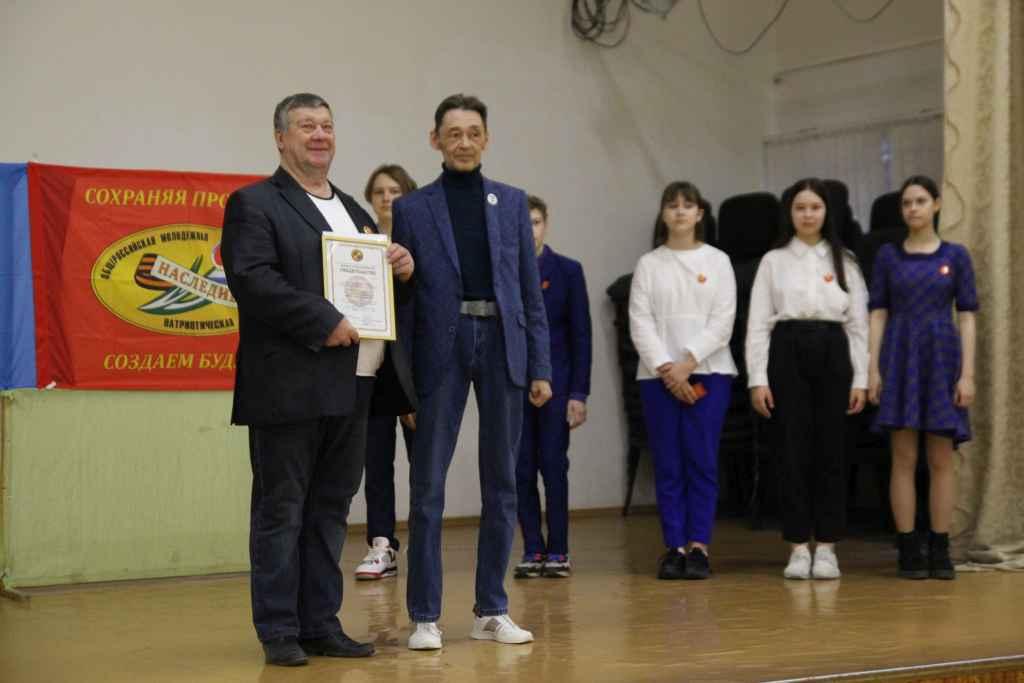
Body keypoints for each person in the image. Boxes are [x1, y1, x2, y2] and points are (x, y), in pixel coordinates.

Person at [221, 93, 416, 666]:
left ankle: (319, 624)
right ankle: (279, 629)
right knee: (282, 510)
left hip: (356, 381)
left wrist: (401, 272)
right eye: (306, 126)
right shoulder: (255, 204)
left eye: (327, 125)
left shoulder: (354, 211)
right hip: (290, 384)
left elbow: (372, 295)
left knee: (330, 510)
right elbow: (252, 279)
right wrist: (321, 320)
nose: (319, 135)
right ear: (281, 138)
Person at [391, 93, 552, 651]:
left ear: (486, 138)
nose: (464, 142)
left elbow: (529, 291)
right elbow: (403, 301)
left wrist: (540, 366)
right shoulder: (413, 209)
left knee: (503, 483)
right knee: (427, 487)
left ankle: (491, 609)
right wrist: (403, 384)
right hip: (442, 346)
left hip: (504, 343)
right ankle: (424, 617)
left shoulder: (511, 202)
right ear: (435, 140)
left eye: (473, 132)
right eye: (453, 133)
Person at [746, 177, 868, 581]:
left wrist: (860, 378)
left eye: (815, 207)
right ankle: (798, 546)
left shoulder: (845, 260)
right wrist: (758, 378)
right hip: (787, 351)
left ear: (827, 212)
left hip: (834, 351)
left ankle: (828, 547)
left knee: (831, 450)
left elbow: (858, 325)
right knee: (791, 449)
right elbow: (758, 325)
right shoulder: (773, 261)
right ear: (790, 213)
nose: (808, 214)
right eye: (800, 208)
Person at [867, 175, 977, 580]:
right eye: (906, 203)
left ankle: (940, 547)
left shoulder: (956, 256)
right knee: (903, 458)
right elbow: (878, 312)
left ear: (936, 204)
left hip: (942, 358)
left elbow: (967, 316)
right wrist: (872, 368)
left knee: (941, 458)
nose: (912, 208)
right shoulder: (888, 256)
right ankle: (909, 548)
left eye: (920, 201)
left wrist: (967, 374)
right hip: (900, 356)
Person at [629, 182, 737, 580]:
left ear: (699, 213)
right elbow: (640, 322)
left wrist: (687, 364)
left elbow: (722, 321)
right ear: (663, 214)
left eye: (687, 205)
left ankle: (699, 547)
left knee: (701, 460)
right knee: (668, 463)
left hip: (710, 372)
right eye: (672, 205)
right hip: (656, 377)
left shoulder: (718, 261)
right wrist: (667, 370)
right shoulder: (648, 264)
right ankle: (674, 546)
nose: (679, 212)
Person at [513, 194, 592, 580]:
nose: (530, 230)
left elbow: (581, 336)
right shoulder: (504, 272)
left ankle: (559, 549)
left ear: (546, 224)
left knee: (554, 466)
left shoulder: (568, 271)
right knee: (521, 469)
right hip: (515, 386)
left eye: (535, 222)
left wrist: (579, 393)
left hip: (557, 386)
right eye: (522, 223)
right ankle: (533, 547)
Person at [355, 164, 419, 581]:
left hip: (412, 366)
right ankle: (382, 544)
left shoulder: (422, 241)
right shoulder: (358, 240)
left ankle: (425, 540)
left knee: (422, 459)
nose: (386, 197)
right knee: (375, 458)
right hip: (374, 364)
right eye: (379, 191)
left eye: (394, 190)